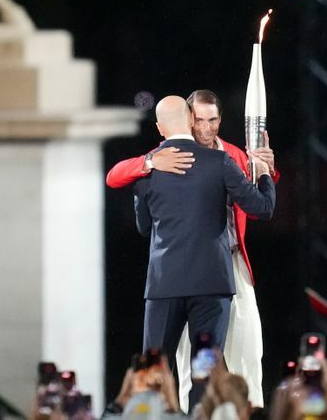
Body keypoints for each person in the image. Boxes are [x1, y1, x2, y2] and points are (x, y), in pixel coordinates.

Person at [106, 89, 279, 410]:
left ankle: (244, 410)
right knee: (192, 369)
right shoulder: (164, 160)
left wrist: (266, 167)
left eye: (213, 120)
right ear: (188, 119)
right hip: (212, 278)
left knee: (243, 351)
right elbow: (115, 174)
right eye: (199, 120)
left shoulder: (227, 156)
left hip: (211, 270)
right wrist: (147, 161)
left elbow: (143, 224)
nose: (206, 127)